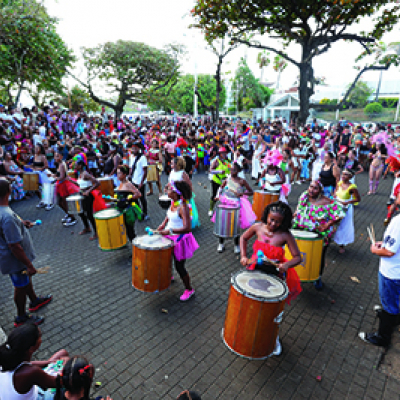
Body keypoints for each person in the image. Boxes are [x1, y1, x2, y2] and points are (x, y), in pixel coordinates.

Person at [240, 201, 302, 355]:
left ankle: (274, 339)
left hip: (275, 274)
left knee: (272, 311)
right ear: (266, 216)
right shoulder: (257, 227)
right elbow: (243, 238)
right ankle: (248, 332)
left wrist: (286, 265)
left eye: (278, 221)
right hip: (255, 269)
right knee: (253, 303)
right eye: (271, 219)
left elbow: (297, 257)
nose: (274, 224)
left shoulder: (285, 235)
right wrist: (243, 255)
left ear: (284, 222)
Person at [0, 178, 53, 326]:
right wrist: (29, 265)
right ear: (9, 191)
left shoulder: (5, 211)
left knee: (25, 280)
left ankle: (34, 301)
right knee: (20, 286)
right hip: (15, 260)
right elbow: (14, 245)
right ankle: (21, 317)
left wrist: (22, 224)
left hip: (14, 259)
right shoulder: (7, 216)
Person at [293, 180, 345, 290]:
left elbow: (339, 214)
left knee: (319, 256)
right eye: (311, 186)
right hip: (301, 229)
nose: (311, 190)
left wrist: (328, 224)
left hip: (318, 233)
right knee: (297, 253)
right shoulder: (305, 196)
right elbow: (299, 208)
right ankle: (295, 274)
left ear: (320, 191)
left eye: (315, 188)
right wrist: (295, 213)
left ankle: (318, 277)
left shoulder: (327, 202)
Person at [359, 213, 400, 347]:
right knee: (393, 300)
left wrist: (375, 250)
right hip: (394, 271)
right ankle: (392, 317)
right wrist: (384, 244)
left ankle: (382, 337)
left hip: (392, 272)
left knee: (390, 304)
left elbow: (389, 252)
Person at [0, 323, 69, 400]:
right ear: (31, 349)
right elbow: (58, 382)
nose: (41, 338)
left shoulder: (6, 361)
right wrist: (68, 365)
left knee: (63, 353)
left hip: (29, 391)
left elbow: (29, 364)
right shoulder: (31, 372)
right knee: (66, 361)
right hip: (38, 396)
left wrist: (48, 362)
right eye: (39, 336)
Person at [157, 181, 199, 301]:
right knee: (167, 258)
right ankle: (170, 276)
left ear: (176, 193)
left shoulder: (183, 207)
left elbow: (187, 228)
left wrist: (169, 231)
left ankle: (189, 289)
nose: (167, 191)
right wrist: (163, 224)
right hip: (169, 236)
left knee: (179, 266)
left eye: (169, 189)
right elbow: (169, 215)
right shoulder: (173, 202)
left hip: (179, 239)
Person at [212, 162, 255, 254]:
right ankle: (221, 243)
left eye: (234, 170)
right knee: (223, 223)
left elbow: (251, 192)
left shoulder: (242, 181)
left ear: (238, 171)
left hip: (236, 204)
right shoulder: (227, 179)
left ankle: (236, 245)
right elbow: (221, 187)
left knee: (235, 224)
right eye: (231, 169)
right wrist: (217, 195)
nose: (232, 171)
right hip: (225, 203)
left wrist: (242, 193)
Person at [333, 169, 361, 253]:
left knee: (343, 226)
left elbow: (358, 199)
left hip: (346, 207)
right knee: (332, 223)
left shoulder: (352, 187)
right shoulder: (340, 183)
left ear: (350, 177)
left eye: (345, 175)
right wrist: (334, 196)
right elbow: (336, 191)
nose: (343, 176)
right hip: (336, 204)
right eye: (342, 174)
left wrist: (347, 202)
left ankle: (342, 244)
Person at [72, 159, 101, 240]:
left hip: (88, 196)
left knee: (89, 214)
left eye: (76, 165)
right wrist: (70, 180)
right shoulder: (80, 174)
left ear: (80, 166)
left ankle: (96, 232)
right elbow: (80, 184)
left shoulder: (86, 174)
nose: (75, 166)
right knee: (80, 212)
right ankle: (87, 227)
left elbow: (97, 183)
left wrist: (88, 191)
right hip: (82, 195)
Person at [169, 156, 200, 229]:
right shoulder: (172, 172)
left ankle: (185, 224)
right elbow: (170, 182)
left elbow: (189, 184)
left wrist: (190, 194)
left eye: (172, 163)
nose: (170, 165)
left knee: (183, 210)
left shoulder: (182, 173)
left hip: (182, 195)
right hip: (174, 195)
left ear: (177, 164)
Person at [116, 165, 142, 242]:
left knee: (130, 231)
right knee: (126, 230)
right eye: (117, 173)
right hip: (121, 209)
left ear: (124, 174)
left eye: (119, 173)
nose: (117, 175)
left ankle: (136, 249)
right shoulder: (121, 183)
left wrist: (129, 198)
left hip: (128, 211)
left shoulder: (128, 184)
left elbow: (138, 194)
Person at [53, 151, 79, 227]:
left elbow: (62, 177)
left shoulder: (62, 164)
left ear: (61, 156)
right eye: (55, 156)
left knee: (64, 202)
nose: (55, 158)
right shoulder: (59, 164)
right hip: (60, 184)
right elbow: (58, 175)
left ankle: (73, 218)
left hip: (64, 185)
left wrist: (54, 177)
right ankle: (68, 214)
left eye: (57, 156)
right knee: (60, 202)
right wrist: (53, 175)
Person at [129, 141, 149, 220]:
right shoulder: (131, 157)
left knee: (142, 198)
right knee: (135, 198)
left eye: (135, 148)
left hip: (140, 181)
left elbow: (145, 171)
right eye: (133, 148)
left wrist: (141, 182)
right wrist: (130, 175)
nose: (134, 150)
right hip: (133, 180)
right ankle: (139, 212)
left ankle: (145, 213)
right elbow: (131, 168)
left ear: (139, 149)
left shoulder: (142, 157)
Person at [209, 147, 231, 216]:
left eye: (225, 153)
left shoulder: (228, 161)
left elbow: (231, 169)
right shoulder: (216, 161)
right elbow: (210, 170)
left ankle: (224, 210)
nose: (224, 154)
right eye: (222, 153)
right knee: (215, 195)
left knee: (226, 196)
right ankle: (211, 209)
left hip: (226, 182)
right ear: (220, 154)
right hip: (216, 180)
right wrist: (219, 171)